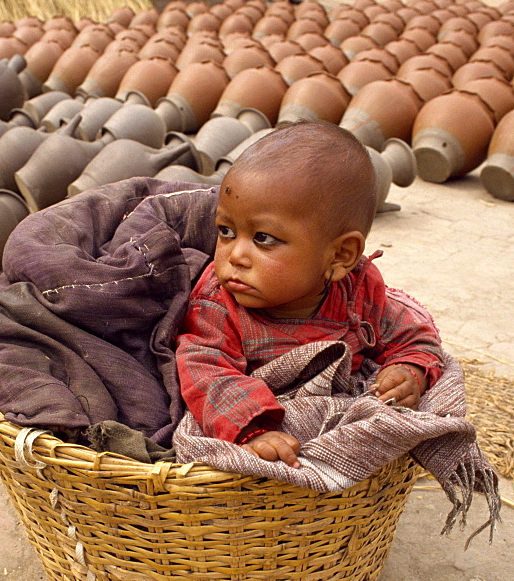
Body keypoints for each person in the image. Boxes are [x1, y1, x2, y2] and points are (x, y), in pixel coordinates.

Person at [175, 123, 443, 468]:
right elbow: (205, 369)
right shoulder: (218, 300)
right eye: (226, 231)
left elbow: (412, 333)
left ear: (340, 255)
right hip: (265, 419)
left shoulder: (357, 290)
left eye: (263, 238)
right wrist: (254, 430)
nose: (234, 256)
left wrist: (410, 370)